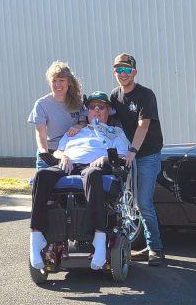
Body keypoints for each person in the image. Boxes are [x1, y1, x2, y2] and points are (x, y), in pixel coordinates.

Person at [29, 91, 130, 271]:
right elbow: (58, 151)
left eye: (101, 107)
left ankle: (99, 238)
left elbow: (123, 156)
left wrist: (105, 159)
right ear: (87, 112)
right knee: (41, 175)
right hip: (69, 164)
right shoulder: (75, 131)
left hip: (95, 166)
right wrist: (63, 157)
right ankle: (37, 235)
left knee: (92, 174)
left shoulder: (116, 132)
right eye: (92, 107)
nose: (97, 110)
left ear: (108, 111)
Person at [109, 53, 165, 266]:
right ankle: (129, 245)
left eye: (126, 70)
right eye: (118, 70)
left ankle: (156, 249)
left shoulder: (145, 95)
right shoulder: (115, 95)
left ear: (134, 72)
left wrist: (132, 150)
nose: (122, 74)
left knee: (143, 203)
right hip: (126, 157)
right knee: (124, 204)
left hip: (147, 155)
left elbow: (144, 125)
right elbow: (105, 118)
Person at [28, 61, 87, 169]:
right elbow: (40, 133)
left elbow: (84, 122)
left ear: (69, 82)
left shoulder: (78, 102)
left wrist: (79, 126)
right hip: (50, 152)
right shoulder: (41, 104)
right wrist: (44, 153)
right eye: (54, 81)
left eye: (61, 80)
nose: (57, 85)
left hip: (71, 152)